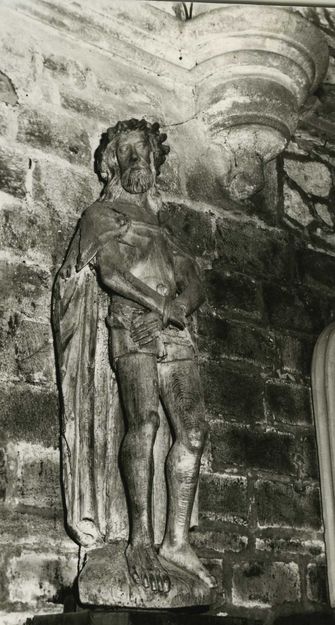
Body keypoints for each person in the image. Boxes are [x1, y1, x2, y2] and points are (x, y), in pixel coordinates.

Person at [53, 118, 216, 596]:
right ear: (111, 165)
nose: (135, 159)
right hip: (132, 324)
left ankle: (177, 541)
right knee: (142, 423)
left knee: (193, 430)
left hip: (169, 330)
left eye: (141, 151)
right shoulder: (102, 215)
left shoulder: (164, 227)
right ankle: (140, 540)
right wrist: (159, 307)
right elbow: (111, 273)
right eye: (125, 153)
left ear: (153, 160)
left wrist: (175, 311)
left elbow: (194, 282)